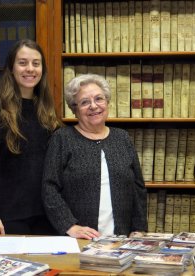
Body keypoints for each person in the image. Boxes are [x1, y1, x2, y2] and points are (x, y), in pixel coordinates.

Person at [42, 74, 148, 240]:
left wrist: (139, 228)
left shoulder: (122, 138)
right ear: (74, 109)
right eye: (84, 102)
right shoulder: (62, 139)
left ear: (107, 102)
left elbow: (138, 188)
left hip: (121, 240)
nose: (94, 106)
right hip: (78, 241)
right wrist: (69, 225)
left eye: (99, 99)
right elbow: (49, 188)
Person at [0, 39, 60, 235]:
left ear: (42, 70)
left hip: (46, 217)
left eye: (36, 63)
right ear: (11, 68)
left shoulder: (46, 112)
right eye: (23, 62)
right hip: (8, 217)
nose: (30, 69)